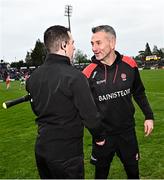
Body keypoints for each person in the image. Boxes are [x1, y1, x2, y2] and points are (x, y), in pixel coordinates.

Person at [26, 25, 106, 179]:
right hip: (66, 154)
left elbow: (36, 109)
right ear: (63, 45)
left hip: (42, 149)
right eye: (72, 43)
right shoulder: (75, 77)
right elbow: (90, 116)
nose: (74, 48)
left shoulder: (33, 77)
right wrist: (100, 137)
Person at [82, 25, 154, 179]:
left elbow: (139, 92)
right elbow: (84, 108)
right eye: (92, 44)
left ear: (112, 42)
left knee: (133, 173)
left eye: (98, 43)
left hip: (127, 133)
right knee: (100, 175)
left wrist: (149, 116)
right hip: (102, 136)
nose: (94, 48)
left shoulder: (130, 64)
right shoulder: (87, 73)